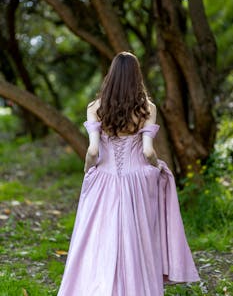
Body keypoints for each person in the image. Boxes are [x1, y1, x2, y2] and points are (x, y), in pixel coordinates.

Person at [57, 52, 200, 296]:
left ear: (111, 76)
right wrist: (157, 167)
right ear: (137, 76)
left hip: (104, 178)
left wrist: (87, 171)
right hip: (138, 180)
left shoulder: (95, 108)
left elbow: (92, 151)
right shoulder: (147, 108)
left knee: (99, 236)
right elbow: (147, 151)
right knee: (138, 237)